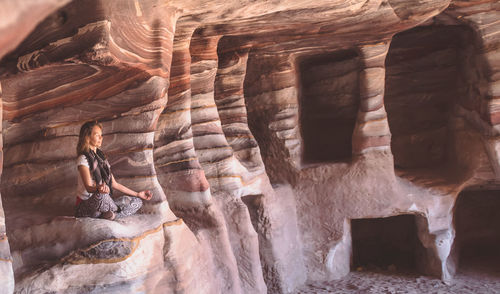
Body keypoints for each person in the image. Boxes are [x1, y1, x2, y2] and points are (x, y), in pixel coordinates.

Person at [75, 121, 153, 220]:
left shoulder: (102, 159)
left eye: (101, 135)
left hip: (104, 203)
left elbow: (114, 184)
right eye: (97, 135)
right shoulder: (83, 158)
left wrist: (138, 194)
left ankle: (111, 215)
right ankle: (112, 213)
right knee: (101, 196)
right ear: (87, 137)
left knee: (137, 201)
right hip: (86, 206)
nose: (101, 138)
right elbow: (89, 187)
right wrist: (99, 188)